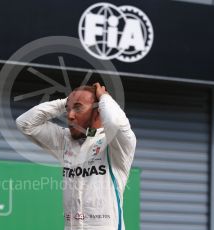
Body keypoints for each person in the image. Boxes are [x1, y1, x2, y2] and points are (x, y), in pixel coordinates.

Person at [16, 82, 136, 230]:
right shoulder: (64, 140)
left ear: (98, 111)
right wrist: (65, 102)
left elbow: (114, 121)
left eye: (78, 108)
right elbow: (24, 123)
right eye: (68, 110)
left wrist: (104, 97)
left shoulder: (114, 142)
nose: (70, 115)